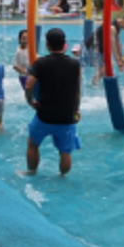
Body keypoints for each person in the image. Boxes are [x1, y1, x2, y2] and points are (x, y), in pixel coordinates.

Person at [25, 28, 81, 176]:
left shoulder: (41, 63)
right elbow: (77, 90)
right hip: (66, 116)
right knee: (65, 152)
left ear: (48, 44)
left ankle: (31, 171)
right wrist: (76, 110)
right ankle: (62, 176)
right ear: (64, 44)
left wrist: (30, 101)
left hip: (45, 115)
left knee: (32, 144)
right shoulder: (75, 64)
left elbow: (28, 85)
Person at [86, 14, 124, 86]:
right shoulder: (112, 27)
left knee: (105, 68)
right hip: (93, 47)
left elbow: (118, 43)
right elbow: (113, 45)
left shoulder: (118, 26)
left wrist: (121, 58)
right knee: (107, 67)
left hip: (101, 48)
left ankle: (95, 82)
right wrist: (118, 61)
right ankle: (93, 83)